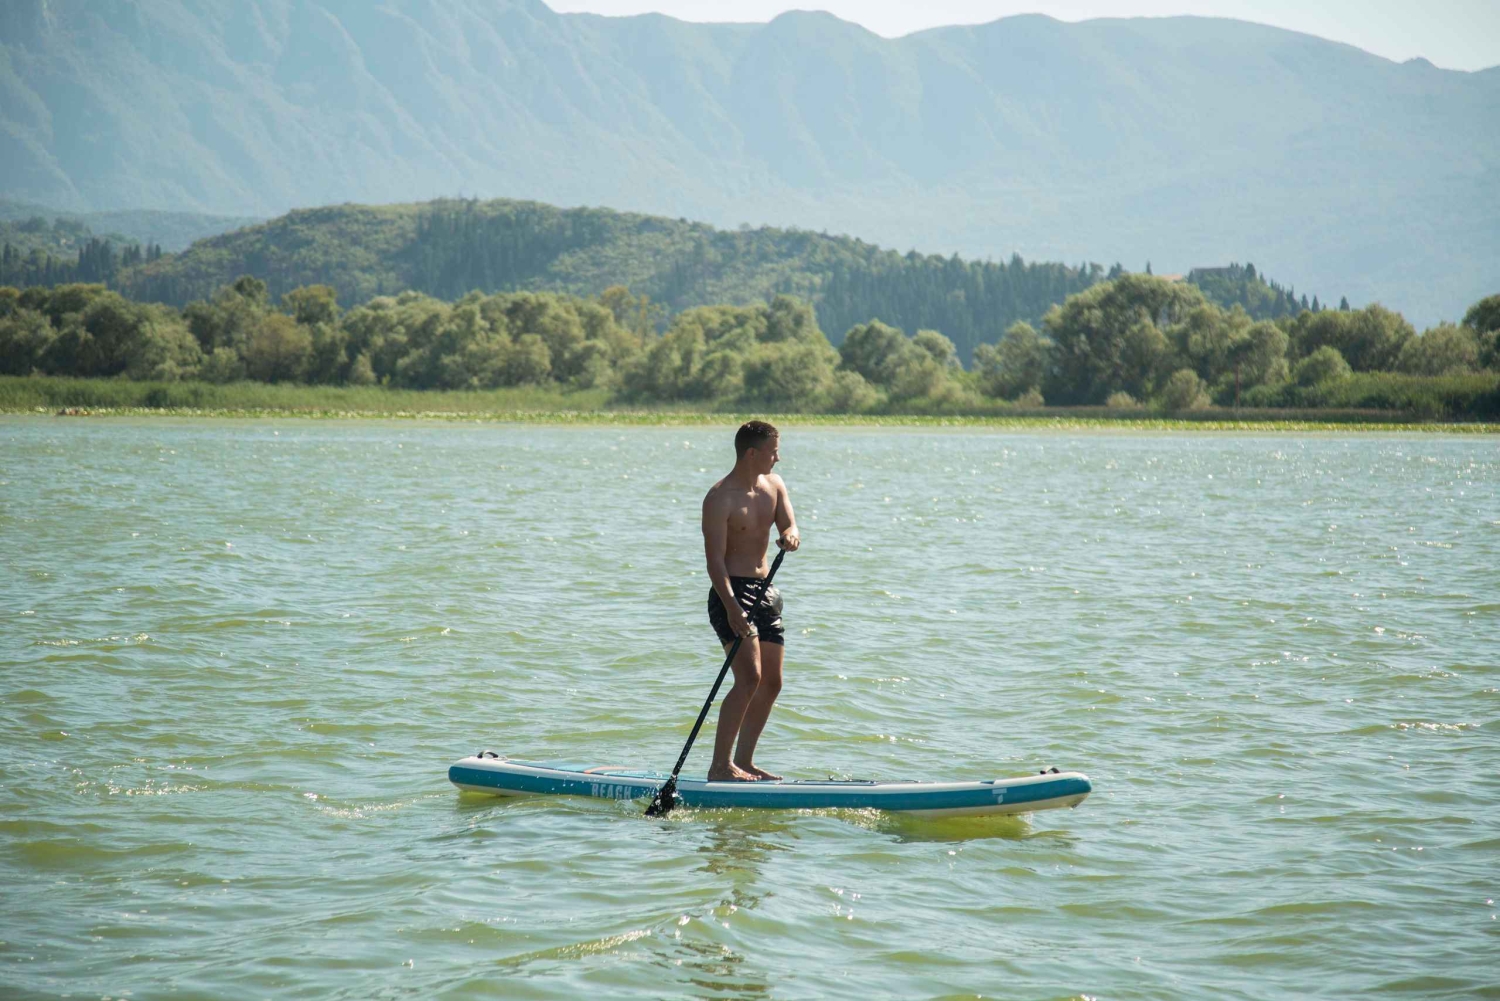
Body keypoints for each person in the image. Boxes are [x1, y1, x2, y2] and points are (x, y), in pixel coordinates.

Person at [701, 420, 800, 781]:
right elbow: (714, 562)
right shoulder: (719, 498)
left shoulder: (775, 486)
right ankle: (719, 766)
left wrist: (790, 535)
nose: (778, 458)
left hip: (767, 591)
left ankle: (743, 761)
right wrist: (732, 608)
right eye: (774, 451)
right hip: (731, 592)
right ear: (752, 453)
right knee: (748, 678)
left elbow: (790, 524)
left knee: (771, 682)